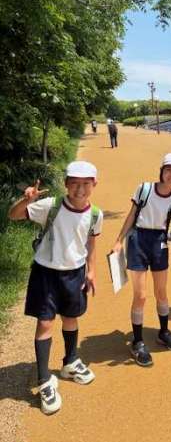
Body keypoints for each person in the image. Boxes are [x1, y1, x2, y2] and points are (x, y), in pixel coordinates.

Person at [8, 161, 103, 414]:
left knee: (71, 317)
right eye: (74, 183)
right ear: (66, 184)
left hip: (75, 273)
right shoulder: (51, 206)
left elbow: (91, 243)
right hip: (46, 273)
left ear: (94, 184)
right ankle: (44, 380)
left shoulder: (95, 214)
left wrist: (91, 271)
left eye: (86, 184)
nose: (80, 189)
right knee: (45, 323)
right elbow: (13, 215)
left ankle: (70, 361)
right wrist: (26, 200)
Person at [112, 153, 171, 366]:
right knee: (141, 295)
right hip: (138, 239)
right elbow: (132, 214)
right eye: (169, 170)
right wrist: (119, 240)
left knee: (161, 292)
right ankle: (137, 341)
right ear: (162, 171)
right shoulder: (144, 189)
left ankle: (163, 332)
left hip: (159, 241)